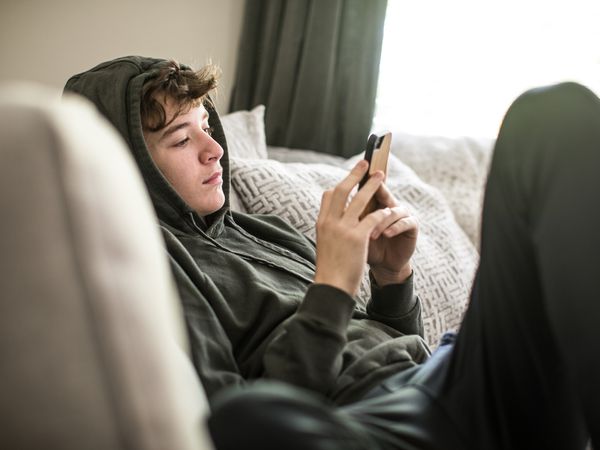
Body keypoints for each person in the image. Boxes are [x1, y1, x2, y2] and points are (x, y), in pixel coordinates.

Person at [65, 57, 598, 449]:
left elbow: (385, 345)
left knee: (551, 116)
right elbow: (225, 419)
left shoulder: (264, 230)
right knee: (248, 422)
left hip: (444, 378)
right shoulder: (152, 268)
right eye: (182, 141)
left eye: (207, 128)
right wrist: (333, 286)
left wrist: (392, 280)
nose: (215, 150)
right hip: (368, 426)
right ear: (123, 162)